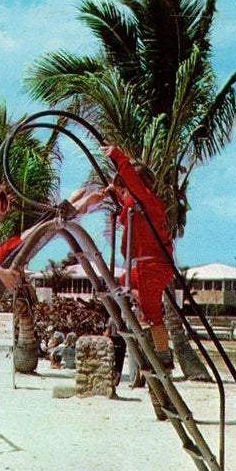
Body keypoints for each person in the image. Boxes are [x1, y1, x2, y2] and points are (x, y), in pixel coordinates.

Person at [70, 144, 175, 368]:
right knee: (121, 282)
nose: (122, 196)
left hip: (153, 267)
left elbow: (132, 185)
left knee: (154, 315)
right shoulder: (139, 204)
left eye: (124, 191)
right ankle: (144, 310)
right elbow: (128, 204)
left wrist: (117, 156)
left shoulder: (145, 199)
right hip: (145, 266)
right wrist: (114, 192)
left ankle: (164, 356)